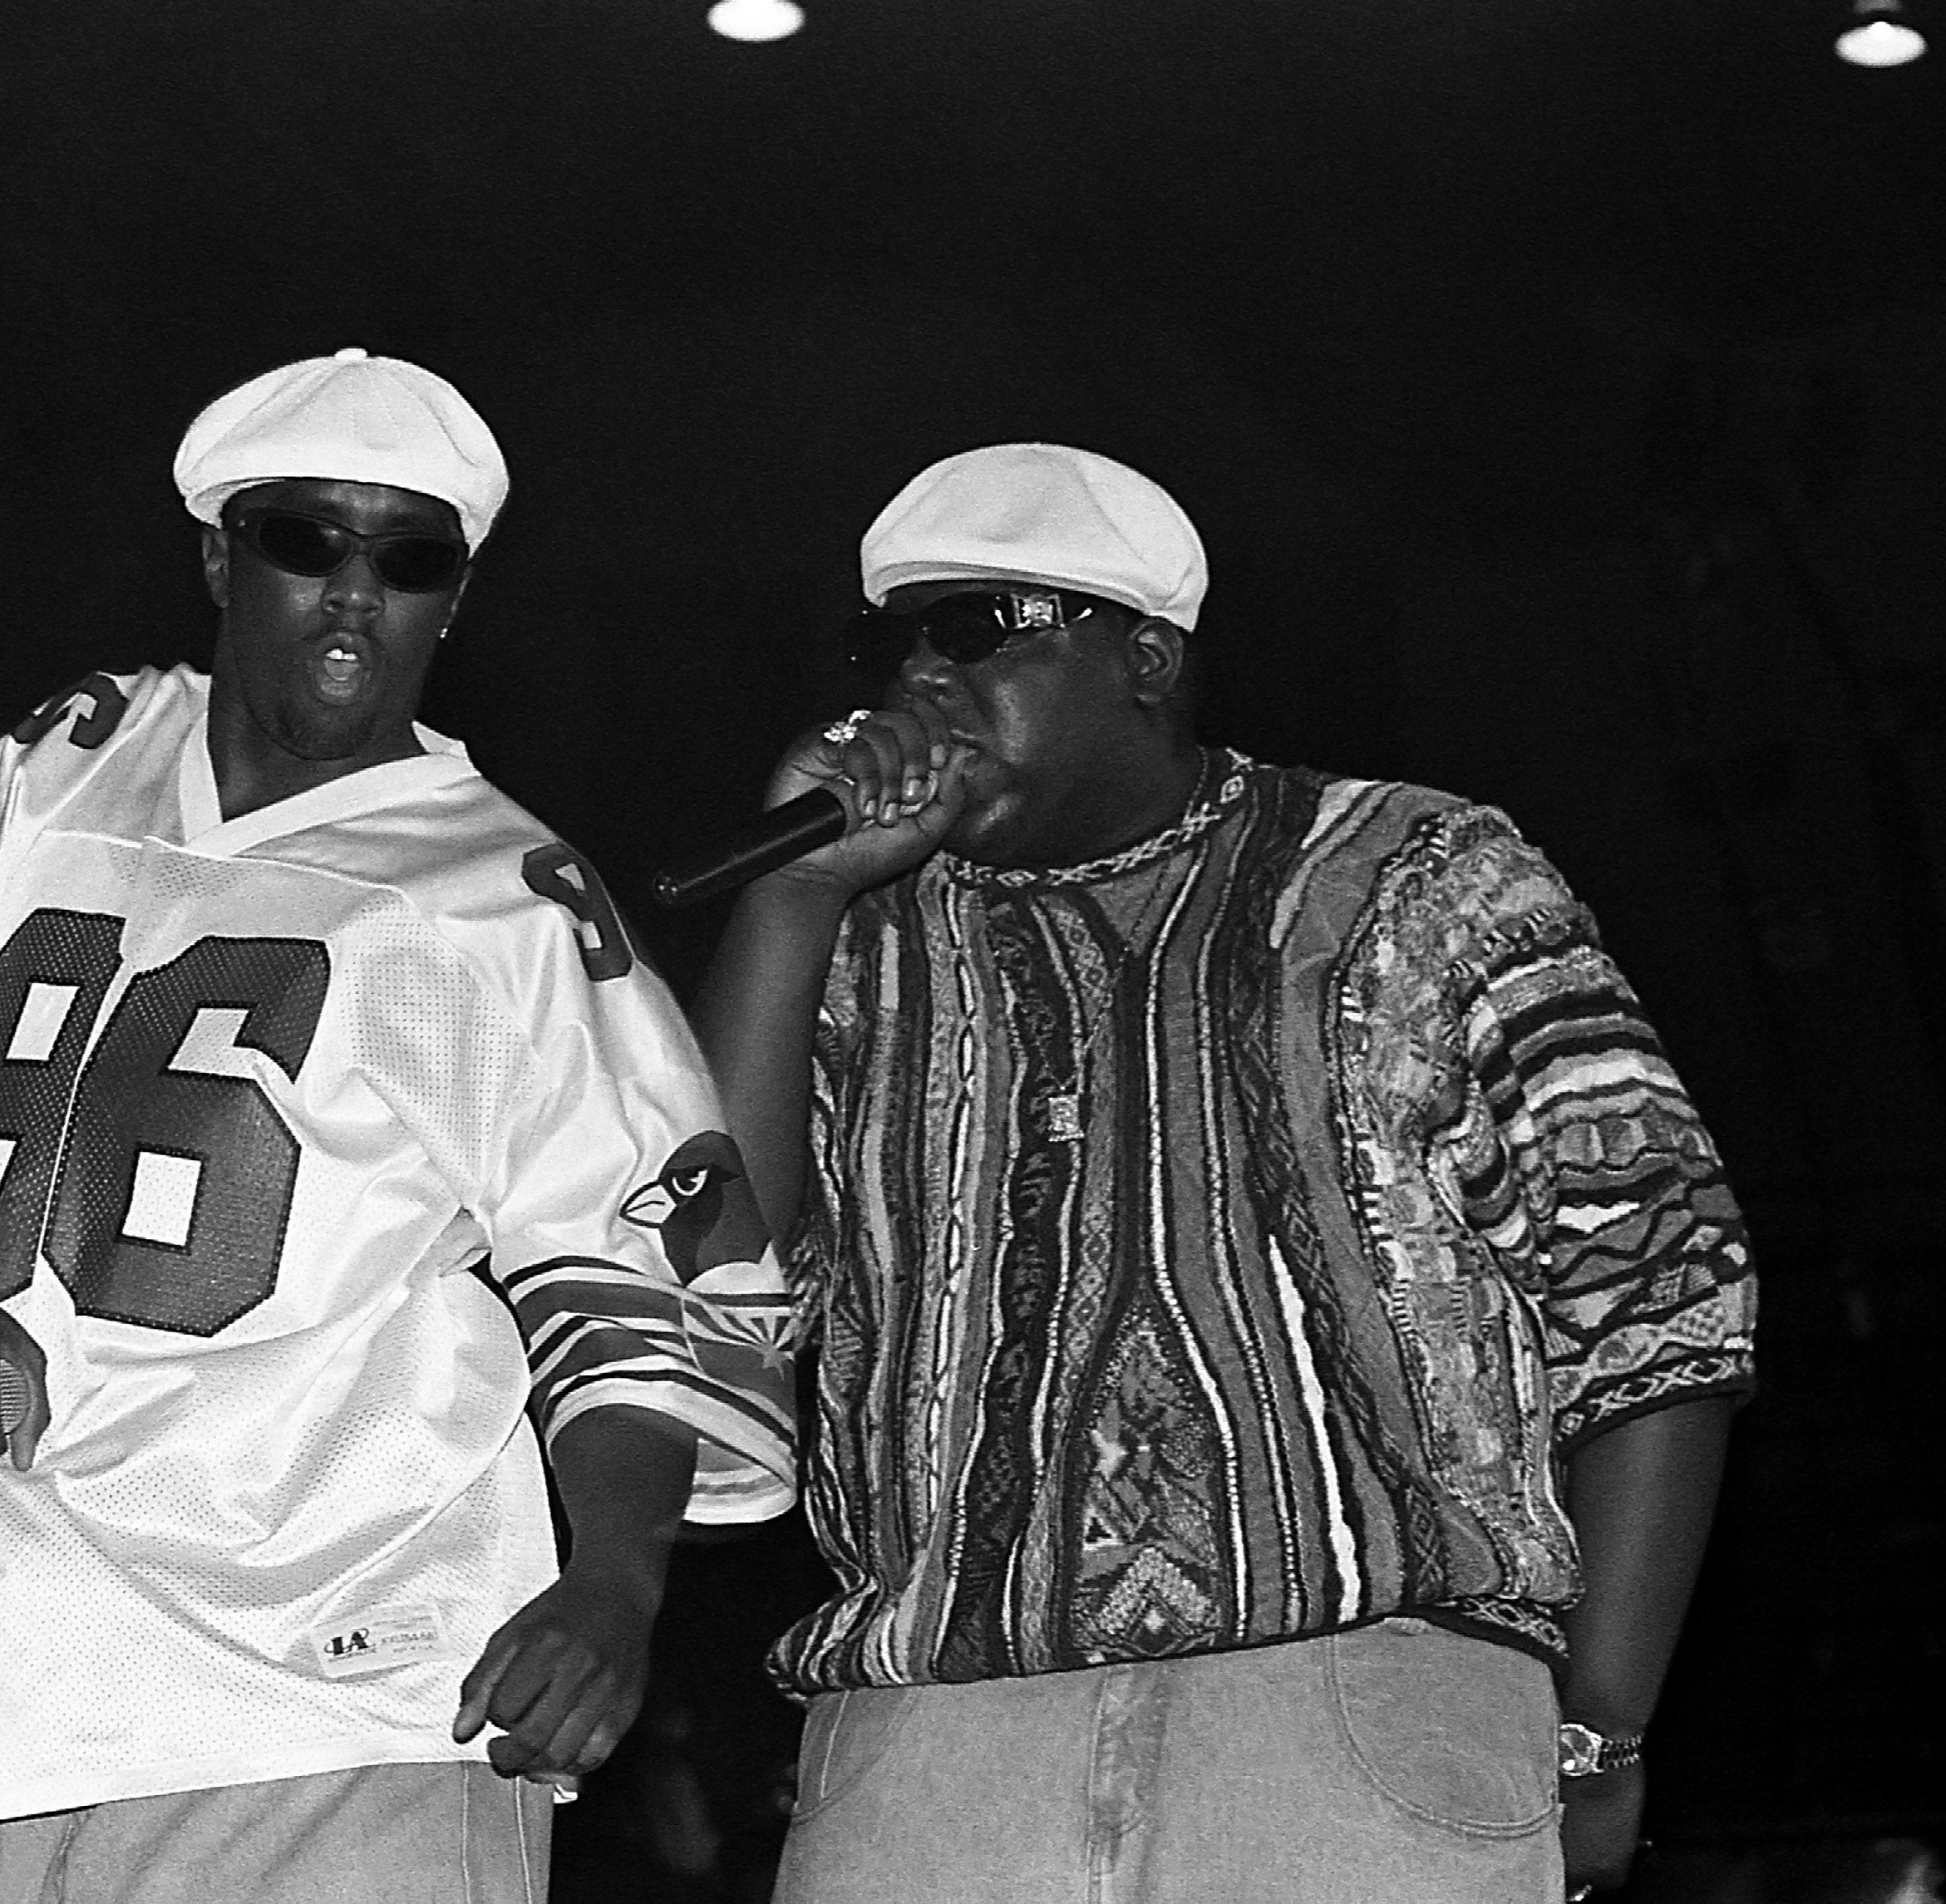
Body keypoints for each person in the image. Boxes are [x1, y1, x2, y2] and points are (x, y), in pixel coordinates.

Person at [0, 348, 799, 1902]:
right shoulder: (61, 762)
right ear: (222, 554)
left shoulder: (511, 902)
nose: (356, 589)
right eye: (309, 537)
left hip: (354, 1678)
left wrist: (615, 1584)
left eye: (411, 557)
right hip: (19, 1658)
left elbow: (639, 1283)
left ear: (455, 600)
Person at [689, 443, 1756, 1903]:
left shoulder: (1421, 872)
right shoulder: (852, 946)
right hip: (937, 1738)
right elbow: (705, 1290)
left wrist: (1603, 1731)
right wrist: (791, 894)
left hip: (1358, 1712)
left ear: (1145, 656)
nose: (919, 679)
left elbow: (1657, 1290)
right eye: (889, 641)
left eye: (981, 627)